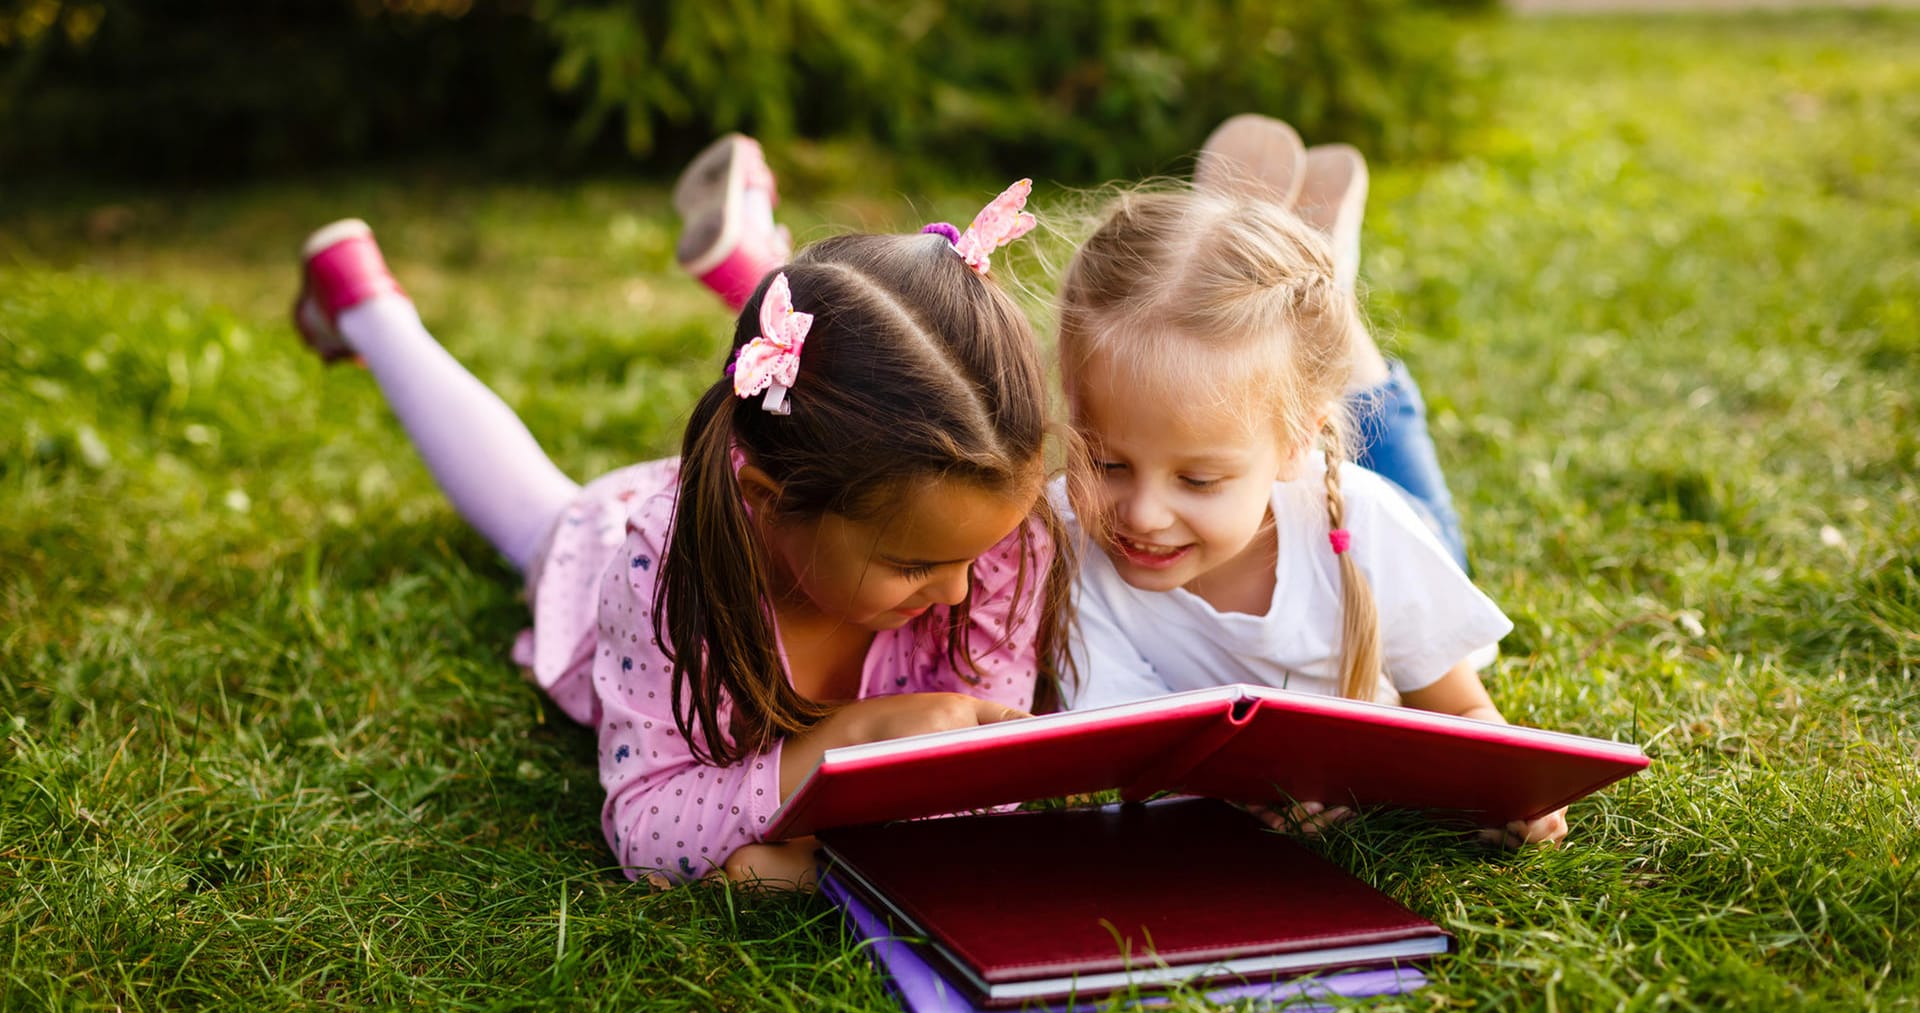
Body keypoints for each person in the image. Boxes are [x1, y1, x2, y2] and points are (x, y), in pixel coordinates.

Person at [290, 154, 1072, 889]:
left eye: (983, 551)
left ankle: (756, 264)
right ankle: (365, 304)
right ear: (769, 499)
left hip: (817, 467)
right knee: (535, 513)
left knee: (837, 378)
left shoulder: (998, 541)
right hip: (614, 538)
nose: (960, 589)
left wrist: (818, 870)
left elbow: (980, 797)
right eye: (911, 564)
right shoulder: (660, 571)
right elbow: (645, 824)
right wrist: (851, 745)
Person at [1055, 115, 1566, 847]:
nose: (1142, 514)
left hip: (1358, 521)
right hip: (1297, 459)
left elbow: (1465, 715)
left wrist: (1506, 792)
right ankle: (1274, 257)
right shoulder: (1065, 545)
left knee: (1367, 406)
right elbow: (1129, 753)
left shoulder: (1372, 531)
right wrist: (1231, 796)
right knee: (1258, 376)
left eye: (1198, 480)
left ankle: (1325, 277)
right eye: (1106, 463)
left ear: (1296, 445)